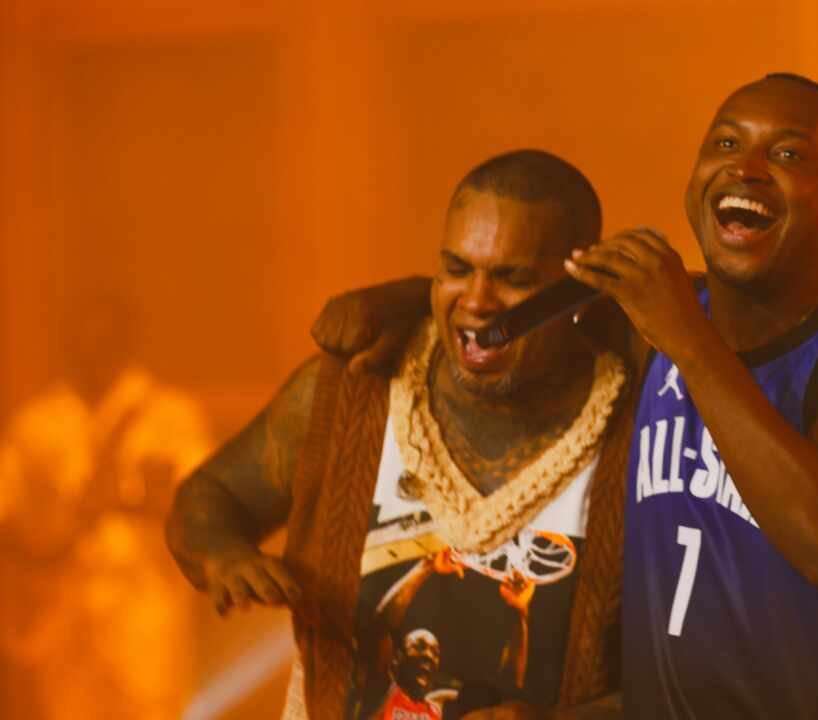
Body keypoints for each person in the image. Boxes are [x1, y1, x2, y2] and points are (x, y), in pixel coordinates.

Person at [315, 73, 818, 719]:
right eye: (726, 144)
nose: (747, 168)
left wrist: (687, 338)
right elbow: (506, 307)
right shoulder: (656, 319)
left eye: (788, 154)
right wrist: (404, 299)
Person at [166, 150, 633, 720]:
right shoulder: (351, 393)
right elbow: (209, 496)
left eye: (513, 278)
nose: (477, 301)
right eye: (456, 269)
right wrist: (223, 559)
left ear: (578, 286)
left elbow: (701, 681)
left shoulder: (641, 431)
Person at [0, 293, 212, 719]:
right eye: (82, 338)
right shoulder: (37, 424)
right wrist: (42, 546)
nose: (92, 347)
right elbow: (8, 512)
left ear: (127, 341)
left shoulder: (170, 419)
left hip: (144, 613)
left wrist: (144, 502)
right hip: (63, 616)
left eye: (104, 337)